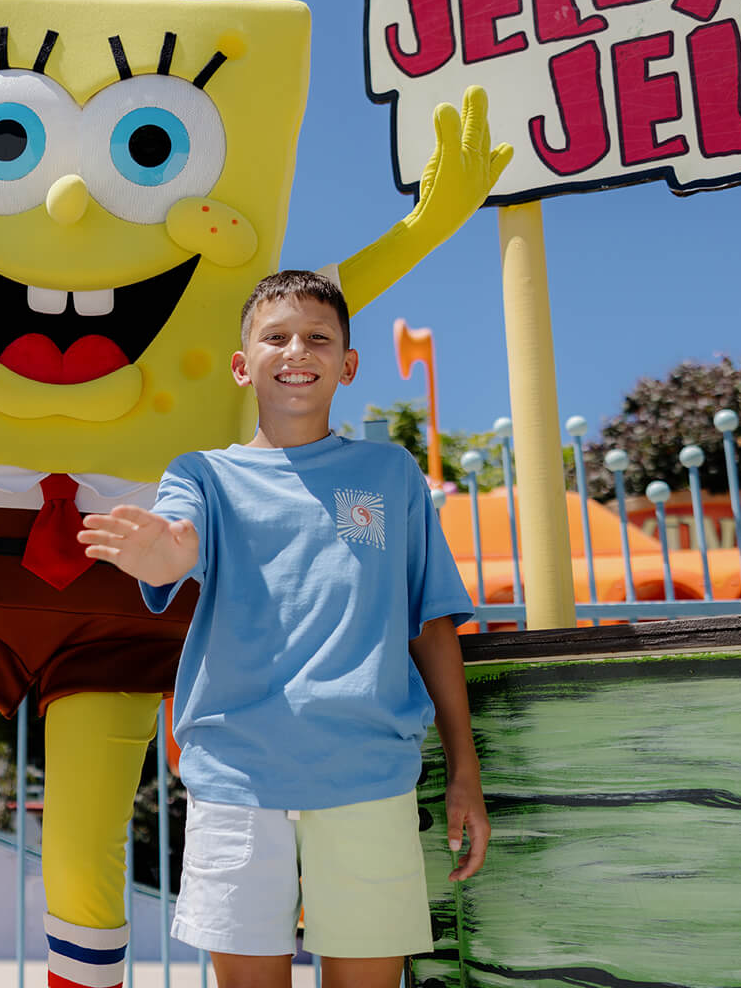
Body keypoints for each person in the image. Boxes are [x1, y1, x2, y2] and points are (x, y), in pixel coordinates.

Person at [79, 270, 490, 988]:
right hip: (235, 778)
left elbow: (430, 623)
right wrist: (163, 552)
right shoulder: (201, 475)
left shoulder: (391, 475)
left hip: (369, 776)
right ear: (243, 365)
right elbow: (181, 540)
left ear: (347, 364)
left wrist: (466, 771)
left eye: (318, 337)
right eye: (276, 336)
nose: (297, 349)